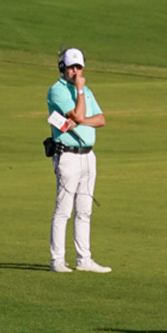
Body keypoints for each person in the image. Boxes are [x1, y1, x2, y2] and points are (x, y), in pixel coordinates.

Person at [47, 47, 111, 274]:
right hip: (68, 155)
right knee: (64, 210)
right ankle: (57, 260)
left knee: (84, 211)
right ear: (62, 68)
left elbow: (101, 119)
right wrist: (80, 92)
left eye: (79, 67)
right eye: (71, 67)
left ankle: (84, 259)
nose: (75, 71)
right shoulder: (58, 91)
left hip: (88, 155)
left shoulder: (88, 91)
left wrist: (81, 120)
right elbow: (79, 114)